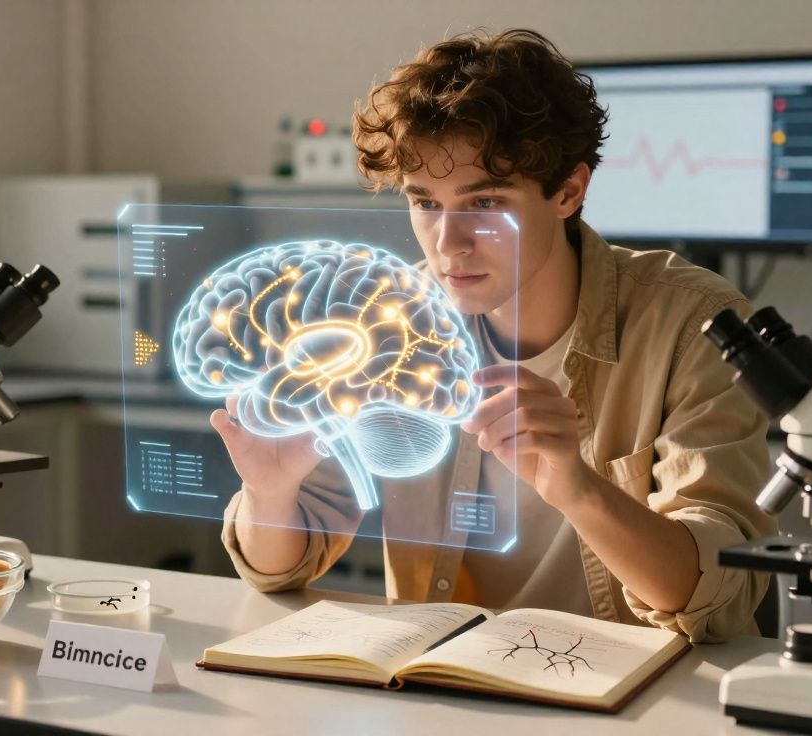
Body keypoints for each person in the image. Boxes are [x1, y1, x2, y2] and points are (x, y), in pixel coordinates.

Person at [213, 29, 776, 643]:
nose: (447, 244)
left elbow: (719, 593)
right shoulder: (383, 318)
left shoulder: (694, 324)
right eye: (425, 203)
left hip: (630, 692)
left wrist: (577, 487)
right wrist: (271, 493)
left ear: (568, 192)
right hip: (440, 681)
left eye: (484, 203)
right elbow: (279, 570)